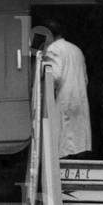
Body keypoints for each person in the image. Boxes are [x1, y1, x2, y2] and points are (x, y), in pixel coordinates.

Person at [42, 19, 92, 158]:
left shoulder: (53, 48)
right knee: (78, 137)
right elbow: (85, 78)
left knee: (64, 139)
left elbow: (54, 75)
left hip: (64, 97)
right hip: (79, 97)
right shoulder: (76, 49)